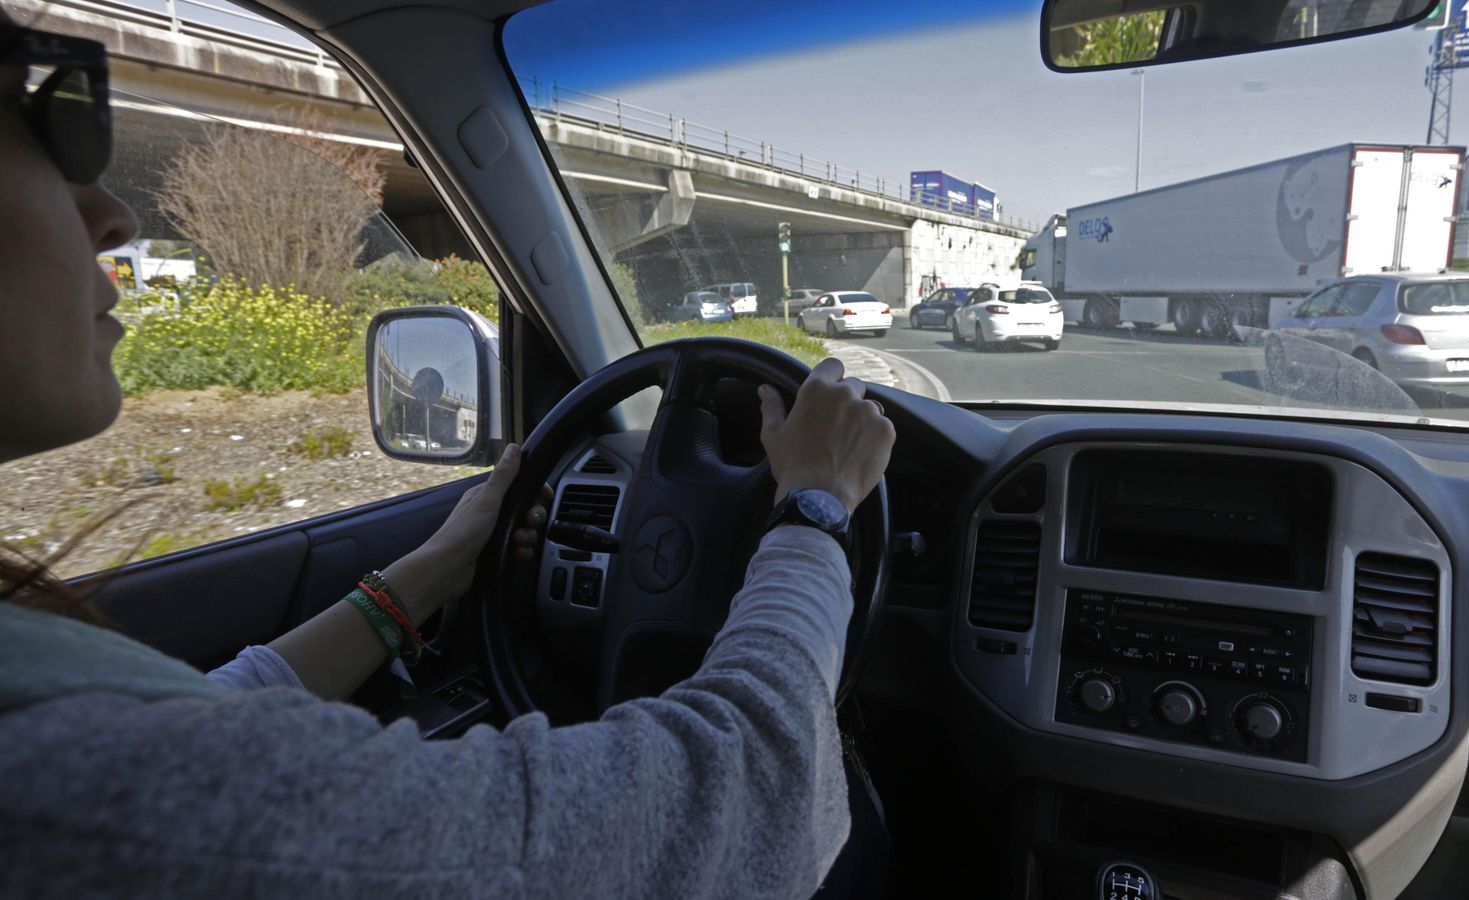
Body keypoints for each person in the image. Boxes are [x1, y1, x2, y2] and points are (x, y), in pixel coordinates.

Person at [0, 15, 896, 898]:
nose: (112, 213)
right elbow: (745, 803)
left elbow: (218, 711)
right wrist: (814, 512)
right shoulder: (65, 778)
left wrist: (429, 572)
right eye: (37, 132)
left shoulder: (72, 741)